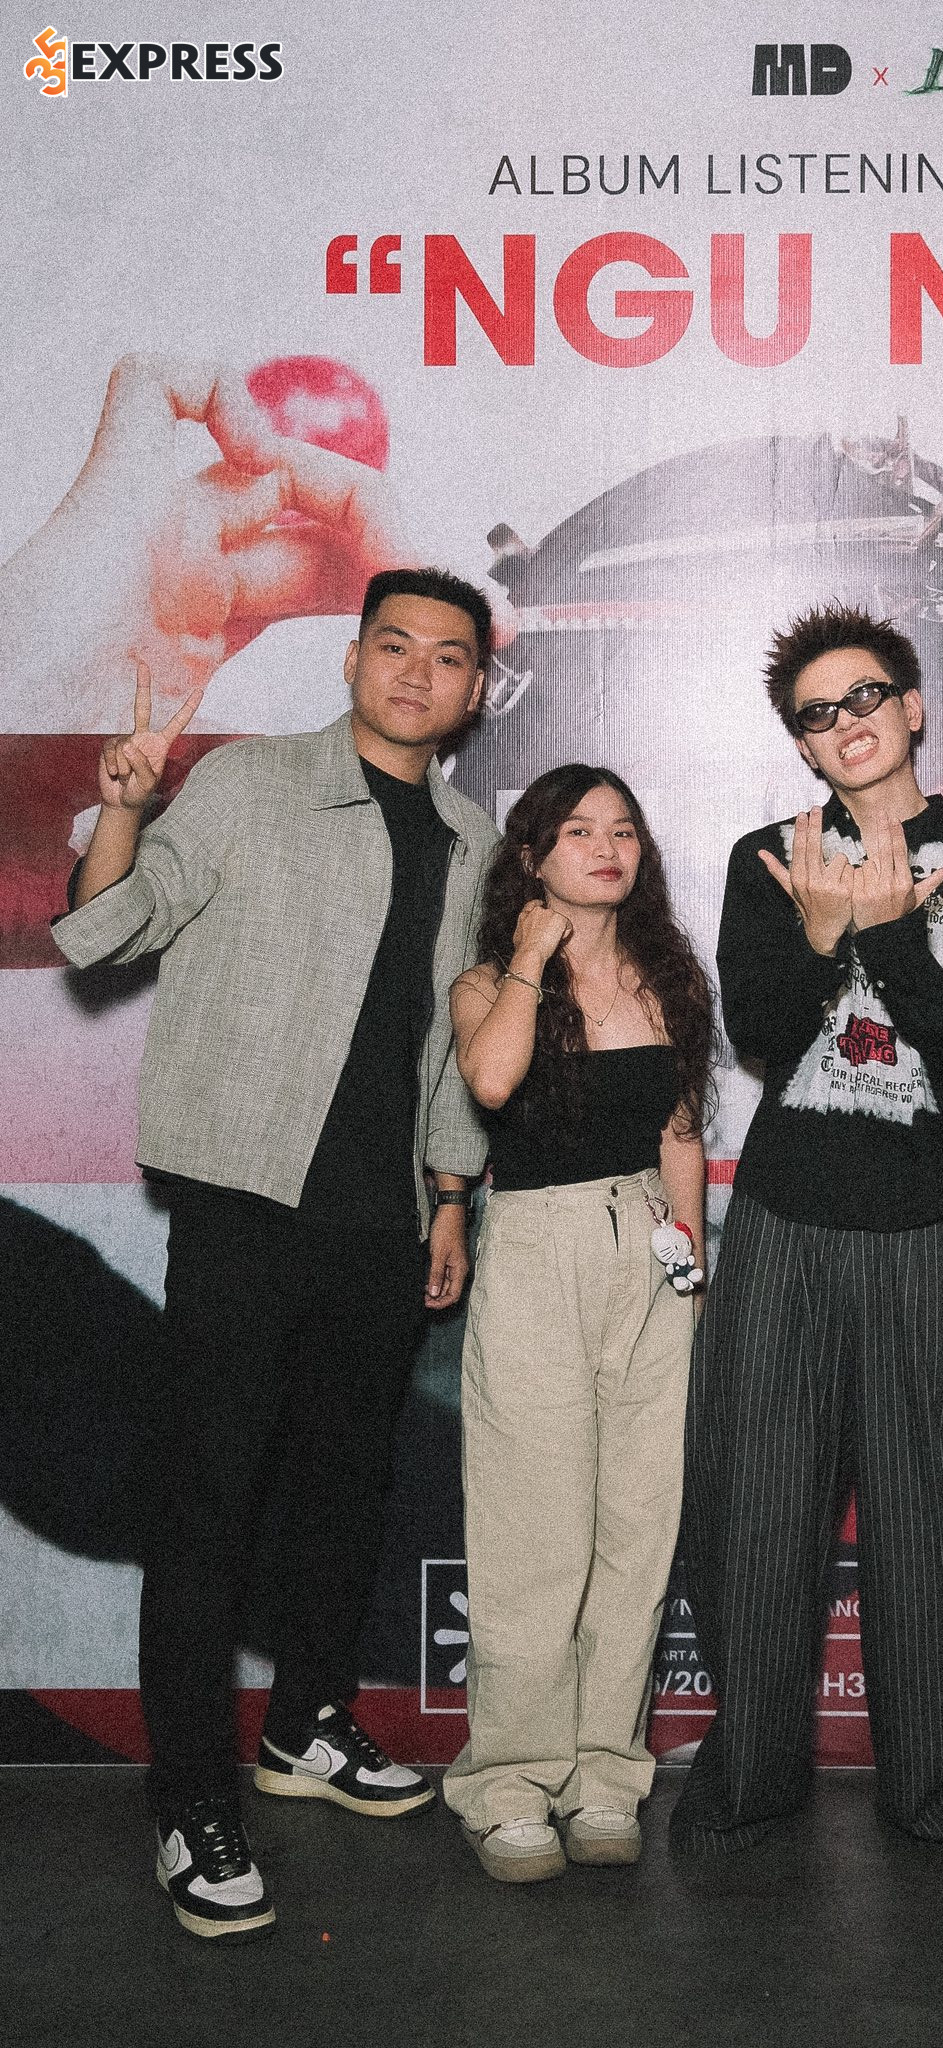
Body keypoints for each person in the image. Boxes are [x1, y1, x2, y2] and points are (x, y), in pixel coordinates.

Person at [50, 567, 501, 1941]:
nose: (415, 671)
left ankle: (306, 1721)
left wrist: (448, 1195)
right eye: (393, 645)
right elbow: (104, 932)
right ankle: (190, 1797)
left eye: (446, 656)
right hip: (246, 1202)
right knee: (207, 1505)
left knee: (343, 1490)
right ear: (351, 660)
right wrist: (124, 809)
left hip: (382, 1218)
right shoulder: (248, 785)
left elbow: (451, 1044)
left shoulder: (473, 838)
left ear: (475, 690)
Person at [670, 603, 943, 1857]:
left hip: (929, 1216)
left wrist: (883, 928)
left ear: (913, 707)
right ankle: (746, 1777)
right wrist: (820, 933)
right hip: (787, 1215)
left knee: (939, 1507)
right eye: (816, 713)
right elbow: (761, 1034)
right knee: (757, 1500)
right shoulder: (766, 856)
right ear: (800, 742)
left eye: (865, 696)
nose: (845, 722)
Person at [440, 765, 714, 1882]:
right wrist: (532, 954)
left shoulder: (667, 977)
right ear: (532, 857)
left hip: (649, 1253)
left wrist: (691, 1255)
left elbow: (681, 1132)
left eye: (623, 829)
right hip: (536, 1248)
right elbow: (492, 1082)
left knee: (637, 1527)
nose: (605, 847)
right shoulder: (487, 980)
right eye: (577, 830)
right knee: (531, 1532)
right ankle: (510, 1785)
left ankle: (606, 1774)